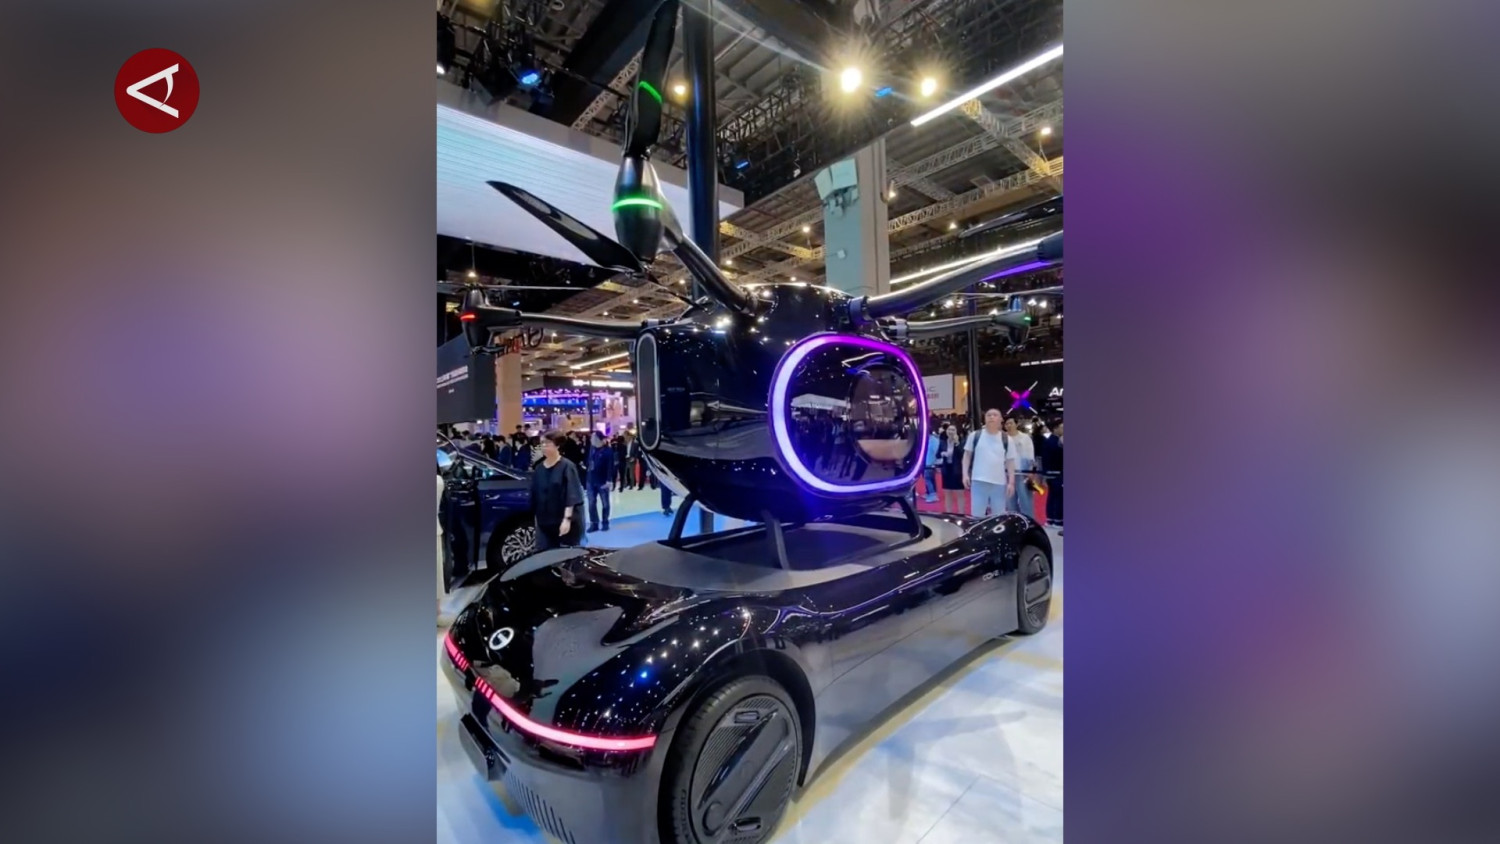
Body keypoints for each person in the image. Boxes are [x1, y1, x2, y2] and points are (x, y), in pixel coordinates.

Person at [530, 432, 585, 550]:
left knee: (565, 554)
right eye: (542, 443)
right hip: (544, 522)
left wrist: (567, 519)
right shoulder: (539, 468)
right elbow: (535, 494)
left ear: (557, 445)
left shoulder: (567, 466)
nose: (544, 446)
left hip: (564, 521)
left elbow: (572, 495)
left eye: (547, 443)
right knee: (543, 552)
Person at [962, 408, 1016, 519]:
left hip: (999, 483)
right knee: (977, 515)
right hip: (978, 481)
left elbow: (1010, 462)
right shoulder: (975, 436)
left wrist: (1011, 482)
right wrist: (965, 474)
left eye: (995, 415)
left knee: (998, 516)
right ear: (984, 419)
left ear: (1001, 419)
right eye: (989, 415)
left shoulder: (1007, 439)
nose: (991, 417)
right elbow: (967, 456)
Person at [1003, 415, 1036, 518]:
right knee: (1010, 501)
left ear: (1016, 424)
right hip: (1007, 474)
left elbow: (1030, 455)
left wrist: (1031, 470)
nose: (1009, 425)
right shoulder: (1002, 438)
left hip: (1022, 473)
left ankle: (1029, 521)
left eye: (1011, 423)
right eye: (1006, 424)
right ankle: (1013, 521)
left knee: (1025, 500)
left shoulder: (1025, 438)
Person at [585, 431, 615, 532]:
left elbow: (610, 466)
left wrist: (609, 480)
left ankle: (605, 522)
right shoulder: (591, 449)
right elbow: (588, 461)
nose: (591, 440)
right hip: (590, 480)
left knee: (605, 503)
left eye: (593, 438)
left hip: (602, 481)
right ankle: (594, 523)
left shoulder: (608, 451)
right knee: (591, 503)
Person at [1038, 419, 1063, 534]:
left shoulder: (1049, 441)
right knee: (1058, 497)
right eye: (1062, 427)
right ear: (1055, 428)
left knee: (1052, 496)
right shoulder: (1056, 442)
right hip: (1057, 473)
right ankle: (1058, 520)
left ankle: (1051, 519)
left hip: (1050, 473)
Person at [938, 423, 965, 513]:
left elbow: (963, 455)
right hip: (946, 470)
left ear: (956, 432)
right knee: (948, 493)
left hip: (957, 471)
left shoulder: (961, 442)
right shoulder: (942, 442)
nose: (951, 431)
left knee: (960, 493)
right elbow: (937, 454)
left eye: (953, 430)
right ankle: (948, 513)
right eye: (949, 429)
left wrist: (957, 443)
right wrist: (942, 454)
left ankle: (961, 514)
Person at [922, 423, 942, 504]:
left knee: (928, 479)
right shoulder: (927, 440)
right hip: (926, 462)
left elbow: (936, 452)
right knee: (930, 479)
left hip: (931, 463)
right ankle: (930, 493)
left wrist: (936, 463)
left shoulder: (934, 440)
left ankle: (932, 494)